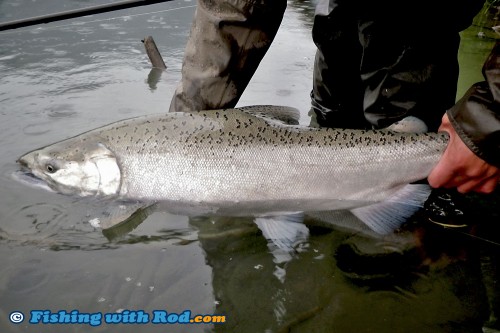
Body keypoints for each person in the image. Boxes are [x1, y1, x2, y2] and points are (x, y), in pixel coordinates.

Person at [169, 0, 500, 194]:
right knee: (331, 118)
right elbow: (235, 8)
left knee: (391, 245)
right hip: (343, 14)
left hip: (417, 12)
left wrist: (489, 119)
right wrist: (184, 127)